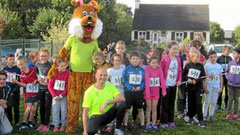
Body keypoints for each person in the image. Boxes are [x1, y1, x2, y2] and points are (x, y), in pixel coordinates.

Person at [82, 68, 126, 135]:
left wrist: (108, 102)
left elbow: (122, 98)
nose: (103, 77)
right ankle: (98, 127)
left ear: (107, 76)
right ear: (95, 76)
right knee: (91, 131)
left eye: (105, 75)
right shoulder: (89, 91)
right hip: (95, 116)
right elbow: (85, 113)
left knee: (121, 104)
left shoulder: (110, 86)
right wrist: (85, 131)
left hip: (108, 115)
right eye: (100, 75)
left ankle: (117, 129)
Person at [11, 56, 39, 131]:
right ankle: (23, 123)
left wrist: (36, 80)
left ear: (26, 63)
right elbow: (25, 85)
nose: (20, 66)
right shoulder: (22, 75)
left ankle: (30, 121)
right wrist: (17, 82)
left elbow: (39, 77)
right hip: (29, 94)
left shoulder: (33, 70)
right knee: (28, 108)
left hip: (36, 93)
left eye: (22, 64)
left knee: (34, 109)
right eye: (18, 65)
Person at [160, 42, 182, 129]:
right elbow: (161, 72)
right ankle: (164, 121)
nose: (175, 50)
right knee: (165, 103)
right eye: (174, 48)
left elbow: (179, 70)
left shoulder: (178, 59)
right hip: (166, 85)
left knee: (172, 103)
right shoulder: (165, 59)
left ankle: (171, 121)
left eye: (177, 49)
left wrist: (179, 79)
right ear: (169, 49)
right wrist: (163, 84)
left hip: (174, 85)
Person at [183, 50, 206, 128]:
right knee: (191, 103)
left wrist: (196, 80)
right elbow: (183, 75)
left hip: (198, 87)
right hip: (190, 88)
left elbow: (203, 76)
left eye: (198, 57)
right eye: (196, 57)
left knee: (198, 103)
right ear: (192, 57)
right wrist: (188, 78)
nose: (197, 58)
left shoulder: (201, 66)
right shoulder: (188, 65)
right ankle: (190, 117)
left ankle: (201, 120)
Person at [122, 51, 145, 130]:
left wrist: (140, 87)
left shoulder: (142, 70)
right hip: (129, 92)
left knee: (140, 108)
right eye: (133, 59)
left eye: (137, 59)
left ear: (140, 60)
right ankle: (125, 124)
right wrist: (130, 87)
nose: (135, 60)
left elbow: (144, 81)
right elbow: (124, 80)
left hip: (138, 92)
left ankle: (142, 124)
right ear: (130, 59)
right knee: (127, 108)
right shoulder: (127, 69)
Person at [144, 56, 166, 131]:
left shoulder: (159, 68)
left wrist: (163, 90)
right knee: (148, 108)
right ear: (149, 63)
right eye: (153, 63)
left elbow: (162, 79)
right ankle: (148, 123)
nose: (154, 64)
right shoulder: (147, 68)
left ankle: (153, 123)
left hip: (156, 91)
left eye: (156, 63)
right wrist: (147, 93)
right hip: (148, 91)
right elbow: (146, 81)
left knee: (154, 108)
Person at [48, 58, 69, 132]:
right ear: (57, 67)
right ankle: (56, 125)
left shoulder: (67, 74)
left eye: (64, 66)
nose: (63, 68)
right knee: (55, 110)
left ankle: (63, 125)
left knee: (64, 110)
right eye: (61, 66)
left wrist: (62, 95)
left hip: (63, 96)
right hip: (55, 96)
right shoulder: (53, 73)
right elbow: (50, 86)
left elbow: (67, 86)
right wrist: (55, 95)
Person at [105, 54, 125, 132]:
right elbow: (106, 81)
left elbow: (125, 79)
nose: (117, 62)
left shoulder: (123, 70)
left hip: (120, 92)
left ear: (121, 61)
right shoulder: (109, 70)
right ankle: (110, 124)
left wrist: (123, 84)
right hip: (111, 92)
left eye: (119, 60)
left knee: (119, 107)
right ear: (112, 61)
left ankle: (117, 124)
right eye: (115, 60)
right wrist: (111, 86)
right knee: (111, 107)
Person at [35, 49, 52, 132]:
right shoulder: (37, 63)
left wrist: (48, 80)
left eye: (45, 56)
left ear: (48, 56)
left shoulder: (51, 64)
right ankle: (42, 123)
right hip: (41, 88)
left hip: (49, 88)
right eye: (41, 56)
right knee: (41, 106)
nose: (43, 57)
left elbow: (53, 75)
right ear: (39, 56)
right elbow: (36, 72)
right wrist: (39, 79)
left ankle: (46, 124)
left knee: (47, 106)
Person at [203, 50, 223, 121]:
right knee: (207, 101)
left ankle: (211, 115)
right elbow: (204, 76)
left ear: (217, 57)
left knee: (214, 102)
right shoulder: (206, 66)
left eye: (215, 57)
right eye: (211, 57)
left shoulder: (219, 66)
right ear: (209, 58)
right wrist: (204, 87)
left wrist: (221, 87)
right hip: (209, 85)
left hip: (216, 86)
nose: (213, 58)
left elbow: (221, 77)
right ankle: (204, 115)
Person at [3, 54, 21, 126]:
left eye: (13, 59)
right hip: (7, 92)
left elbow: (19, 80)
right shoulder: (4, 70)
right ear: (6, 60)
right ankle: (9, 122)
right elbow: (3, 82)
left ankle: (16, 122)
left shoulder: (17, 69)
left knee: (16, 107)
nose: (12, 61)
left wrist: (14, 90)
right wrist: (8, 91)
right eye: (10, 59)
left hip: (15, 92)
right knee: (8, 108)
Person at [225, 47, 240, 120]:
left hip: (238, 85)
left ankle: (235, 114)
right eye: (233, 53)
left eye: (234, 53)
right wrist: (228, 77)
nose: (233, 54)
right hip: (230, 84)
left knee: (236, 99)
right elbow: (226, 71)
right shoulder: (231, 62)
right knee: (230, 99)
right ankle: (228, 113)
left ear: (239, 54)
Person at [216, 45, 232, 110]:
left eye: (229, 51)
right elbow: (217, 67)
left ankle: (226, 104)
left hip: (228, 78)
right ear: (223, 51)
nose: (228, 52)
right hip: (221, 77)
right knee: (220, 91)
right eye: (227, 51)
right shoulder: (219, 58)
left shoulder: (230, 58)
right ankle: (219, 105)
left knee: (227, 91)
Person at [177, 41, 190, 119]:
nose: (188, 48)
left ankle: (186, 110)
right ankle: (180, 111)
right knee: (181, 96)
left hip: (188, 79)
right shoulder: (180, 57)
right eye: (187, 46)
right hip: (181, 79)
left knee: (187, 95)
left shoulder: (190, 56)